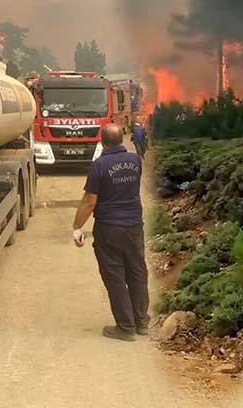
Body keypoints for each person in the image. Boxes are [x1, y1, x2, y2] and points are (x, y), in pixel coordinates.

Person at [72, 123, 149, 341]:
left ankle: (125, 327)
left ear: (102, 140)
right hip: (134, 226)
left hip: (109, 228)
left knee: (115, 276)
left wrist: (77, 227)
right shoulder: (135, 160)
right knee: (137, 273)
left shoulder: (99, 165)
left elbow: (90, 201)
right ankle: (141, 322)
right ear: (121, 138)